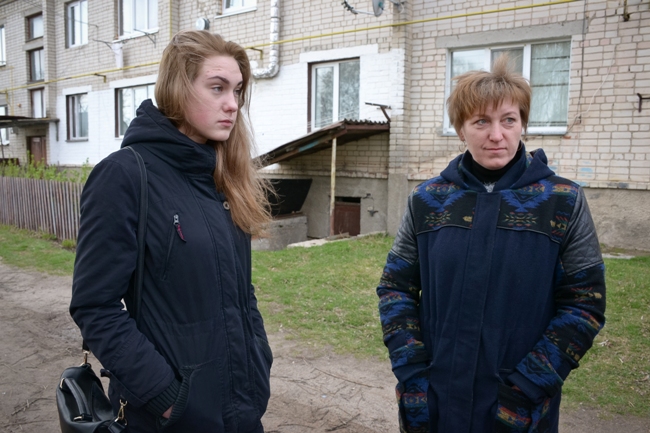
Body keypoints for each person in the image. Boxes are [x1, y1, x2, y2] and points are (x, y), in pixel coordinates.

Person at [376, 55, 606, 433]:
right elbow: (395, 288)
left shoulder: (562, 201)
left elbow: (585, 304)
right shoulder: (427, 200)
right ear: (460, 130)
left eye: (508, 120)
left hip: (519, 409)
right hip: (435, 403)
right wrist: (412, 371)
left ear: (522, 124)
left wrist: (528, 386)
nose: (496, 135)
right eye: (481, 121)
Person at [70, 30, 273, 432]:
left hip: (240, 408)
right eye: (217, 88)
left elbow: (240, 292)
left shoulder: (222, 178)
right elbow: (95, 307)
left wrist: (258, 360)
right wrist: (167, 399)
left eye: (237, 91)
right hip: (167, 418)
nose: (232, 104)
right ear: (179, 89)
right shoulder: (124, 176)